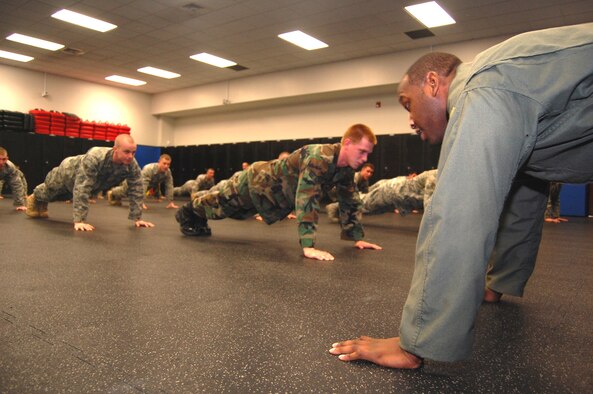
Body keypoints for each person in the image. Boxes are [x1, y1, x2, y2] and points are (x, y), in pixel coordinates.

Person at [330, 23, 593, 368]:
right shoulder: (505, 88)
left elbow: (457, 213)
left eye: (407, 103)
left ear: (434, 83)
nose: (409, 119)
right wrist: (499, 282)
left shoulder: (481, 86)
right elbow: (528, 183)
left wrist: (416, 342)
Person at [175, 124, 383, 261]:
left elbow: (350, 200)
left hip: (271, 196)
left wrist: (356, 237)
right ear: (347, 143)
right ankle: (187, 211)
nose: (365, 158)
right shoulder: (319, 157)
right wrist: (308, 245)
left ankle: (196, 212)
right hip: (257, 182)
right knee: (221, 205)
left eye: (368, 153)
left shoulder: (345, 169)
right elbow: (307, 197)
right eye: (362, 151)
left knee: (232, 212)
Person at [26, 134, 155, 231]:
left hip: (92, 184)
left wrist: (138, 218)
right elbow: (82, 186)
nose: (130, 156)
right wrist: (79, 220)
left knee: (64, 196)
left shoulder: (131, 165)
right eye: (126, 152)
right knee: (50, 191)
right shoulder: (96, 156)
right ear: (115, 149)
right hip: (67, 172)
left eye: (133, 152)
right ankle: (34, 197)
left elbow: (137, 188)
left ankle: (41, 203)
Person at [327, 169, 437, 221]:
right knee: (365, 204)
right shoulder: (435, 175)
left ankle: (341, 206)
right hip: (393, 190)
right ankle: (335, 206)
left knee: (373, 209)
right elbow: (429, 206)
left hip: (399, 194)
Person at [107, 154, 178, 210]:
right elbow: (143, 185)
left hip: (144, 185)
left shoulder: (167, 172)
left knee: (125, 194)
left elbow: (169, 185)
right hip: (133, 181)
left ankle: (115, 195)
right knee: (124, 192)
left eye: (168, 164)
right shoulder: (149, 169)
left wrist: (170, 201)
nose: (166, 166)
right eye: (164, 163)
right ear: (159, 162)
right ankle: (112, 192)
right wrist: (141, 202)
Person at [0, 147, 26, 211]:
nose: (1, 162)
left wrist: (20, 204)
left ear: (7, 159)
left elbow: (16, 184)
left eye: (3, 159)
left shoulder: (10, 167)